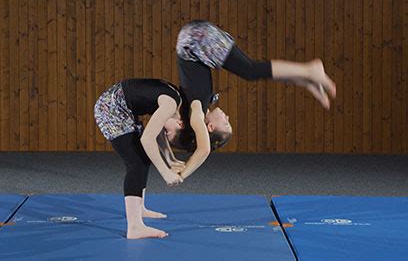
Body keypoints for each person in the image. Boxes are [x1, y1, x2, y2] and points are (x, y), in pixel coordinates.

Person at [166, 19, 336, 151]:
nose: (227, 118)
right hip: (195, 43)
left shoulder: (197, 111)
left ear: (209, 127)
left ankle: (309, 71)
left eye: (225, 124)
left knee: (250, 70)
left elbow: (200, 146)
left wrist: (179, 166)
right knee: (252, 72)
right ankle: (306, 81)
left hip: (196, 38)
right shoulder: (194, 103)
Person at [94, 78, 210, 239]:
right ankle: (134, 227)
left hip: (120, 107)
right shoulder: (170, 105)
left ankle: (139, 208)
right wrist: (165, 173)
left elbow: (159, 132)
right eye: (170, 134)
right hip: (111, 108)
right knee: (136, 163)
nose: (166, 133)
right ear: (180, 124)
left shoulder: (176, 101)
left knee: (143, 158)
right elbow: (148, 139)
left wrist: (170, 159)